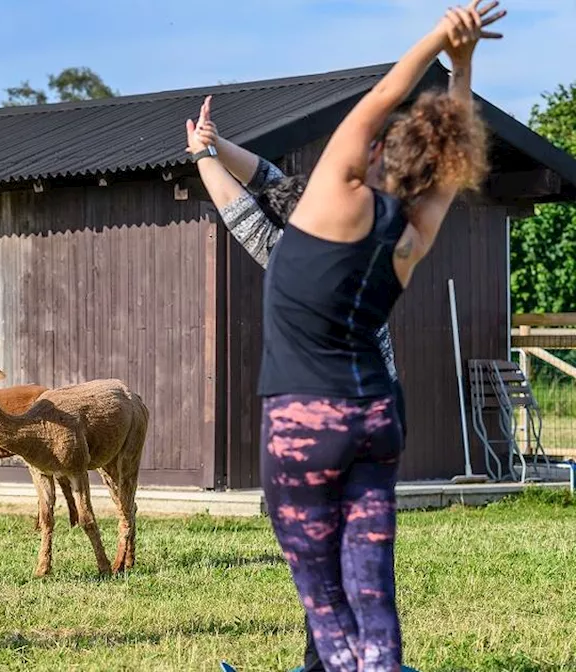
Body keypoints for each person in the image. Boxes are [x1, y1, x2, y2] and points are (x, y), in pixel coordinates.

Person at [244, 0, 501, 669]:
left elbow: (386, 91)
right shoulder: (411, 236)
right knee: (372, 595)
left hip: (304, 417)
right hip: (377, 418)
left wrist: (444, 41)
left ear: (379, 148)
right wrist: (464, 68)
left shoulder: (336, 193)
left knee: (327, 607)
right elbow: (451, 163)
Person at [184, 97, 403, 672]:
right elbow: (274, 183)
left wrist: (204, 153)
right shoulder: (353, 249)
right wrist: (215, 143)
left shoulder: (292, 256)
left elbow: (245, 211)